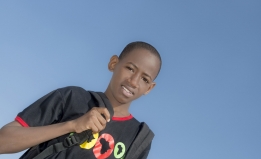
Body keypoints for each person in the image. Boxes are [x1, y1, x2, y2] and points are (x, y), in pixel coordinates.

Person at [0, 41, 162, 159]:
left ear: (149, 88)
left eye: (145, 79)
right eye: (130, 68)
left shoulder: (138, 139)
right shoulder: (72, 97)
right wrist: (72, 125)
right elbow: (3, 141)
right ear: (113, 63)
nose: (133, 81)